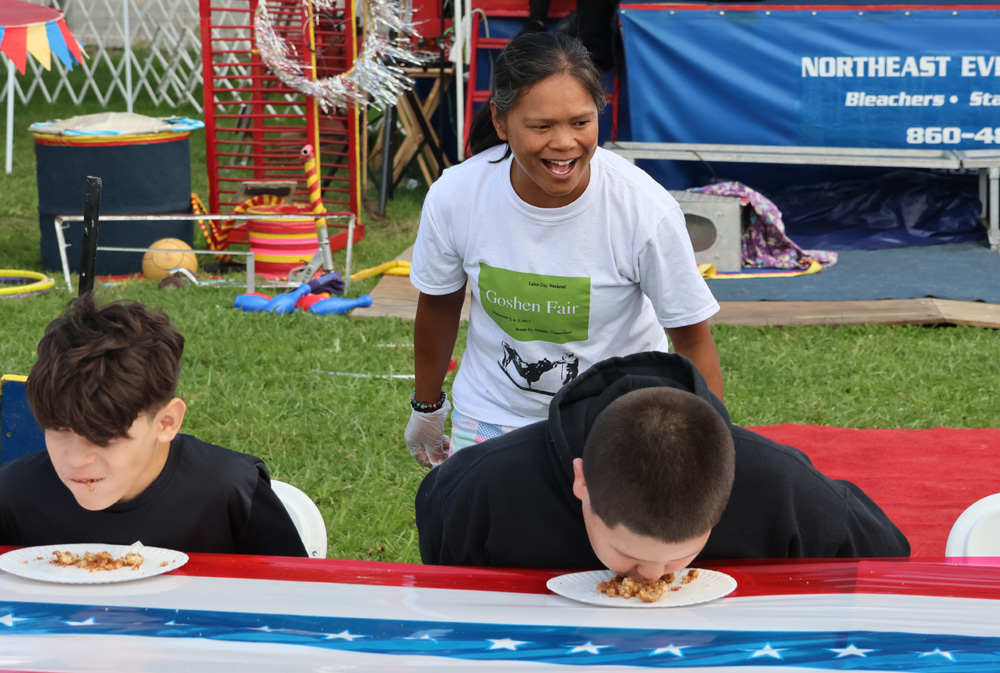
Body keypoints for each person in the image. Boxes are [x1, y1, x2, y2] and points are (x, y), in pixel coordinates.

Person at [407, 32, 722, 467]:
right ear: (500, 122)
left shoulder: (644, 209)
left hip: (618, 418)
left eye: (580, 122)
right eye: (541, 127)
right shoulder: (457, 196)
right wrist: (427, 408)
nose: (565, 143)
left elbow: (691, 338)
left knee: (605, 538)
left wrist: (712, 450)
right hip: (493, 417)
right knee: (484, 533)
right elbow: (439, 306)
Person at [415, 351, 910, 571]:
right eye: (628, 555)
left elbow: (887, 559)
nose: (653, 578)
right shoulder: (486, 487)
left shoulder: (779, 485)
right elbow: (452, 581)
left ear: (725, 501)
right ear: (581, 483)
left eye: (678, 558)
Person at [0, 294, 308, 557]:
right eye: (60, 428)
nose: (77, 459)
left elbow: (296, 599)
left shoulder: (232, 493)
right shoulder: (12, 496)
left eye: (105, 437)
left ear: (166, 422)